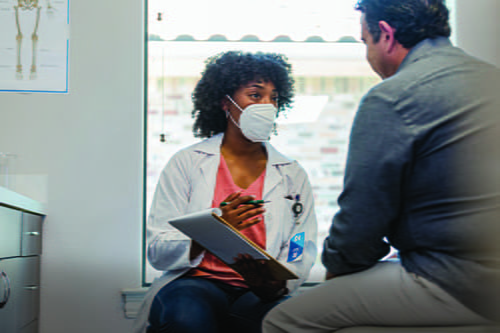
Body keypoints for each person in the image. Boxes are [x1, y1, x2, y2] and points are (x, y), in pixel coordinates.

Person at [263, 0, 500, 331]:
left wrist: (338, 271)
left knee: (282, 319)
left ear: (386, 34)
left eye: (365, 42)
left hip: (458, 282)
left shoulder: (393, 97)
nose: (368, 56)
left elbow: (360, 221)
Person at [133, 51, 318, 333]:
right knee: (186, 318)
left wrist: (278, 282)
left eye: (274, 97)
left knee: (289, 324)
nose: (267, 104)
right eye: (255, 95)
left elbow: (300, 245)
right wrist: (212, 229)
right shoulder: (188, 162)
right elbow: (157, 249)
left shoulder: (291, 173)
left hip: (260, 292)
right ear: (225, 103)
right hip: (195, 282)